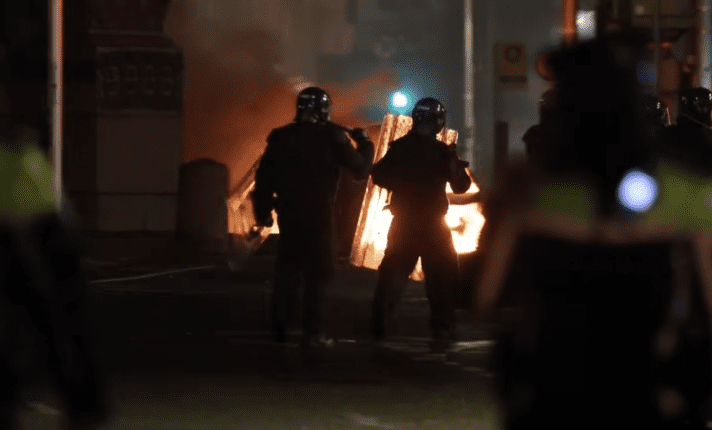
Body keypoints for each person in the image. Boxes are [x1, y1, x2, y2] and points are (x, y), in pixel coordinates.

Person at [475, 32, 712, 429]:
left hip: (555, 389)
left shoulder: (527, 189)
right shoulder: (686, 193)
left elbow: (487, 296)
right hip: (651, 390)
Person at [252, 86, 374, 349]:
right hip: (319, 216)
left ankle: (279, 330)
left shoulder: (280, 137)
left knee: (288, 271)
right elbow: (360, 169)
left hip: (289, 214)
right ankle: (314, 332)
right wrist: (365, 143)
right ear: (325, 111)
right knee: (319, 274)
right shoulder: (333, 137)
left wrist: (262, 213)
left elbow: (263, 180)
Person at [370, 97, 471, 352]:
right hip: (433, 226)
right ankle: (442, 328)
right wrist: (452, 164)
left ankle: (379, 326)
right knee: (442, 278)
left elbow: (378, 174)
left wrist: (401, 185)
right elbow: (461, 186)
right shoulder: (442, 152)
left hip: (404, 222)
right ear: (438, 123)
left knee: (392, 275)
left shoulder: (400, 147)